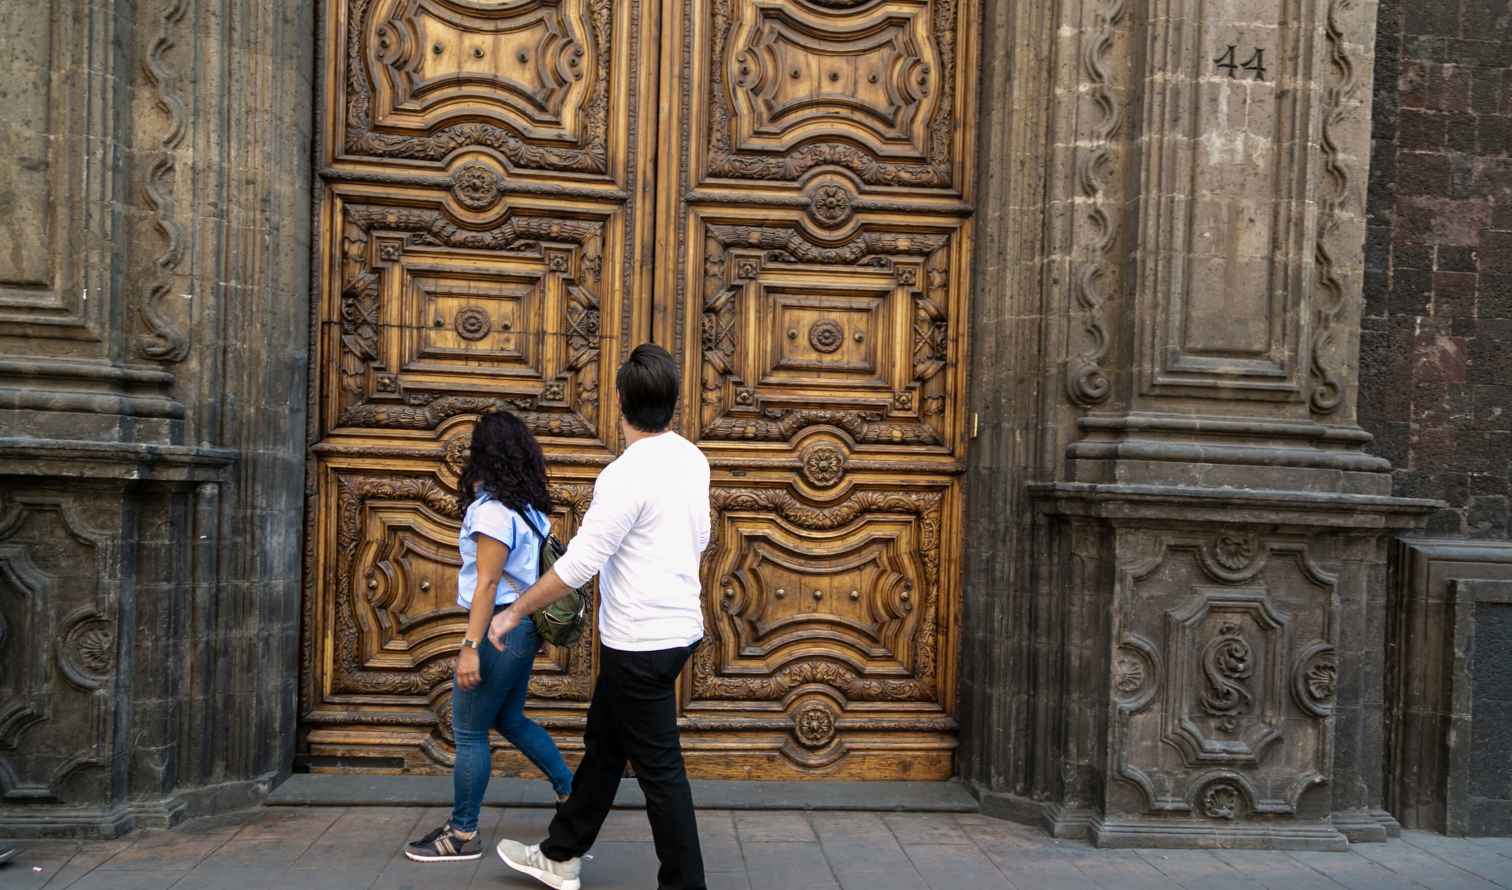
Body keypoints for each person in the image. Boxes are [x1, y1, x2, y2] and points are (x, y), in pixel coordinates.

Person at [490, 343, 709, 890]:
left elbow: (581, 564)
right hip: (674, 631)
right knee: (606, 747)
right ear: (673, 403)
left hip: (639, 642)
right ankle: (561, 854)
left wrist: (513, 611)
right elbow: (699, 536)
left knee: (661, 774)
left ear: (620, 402)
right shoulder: (692, 458)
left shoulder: (624, 474)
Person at [405, 410, 575, 862]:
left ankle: (462, 834)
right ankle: (570, 793)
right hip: (520, 628)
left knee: (469, 731)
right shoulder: (530, 510)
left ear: (484, 455)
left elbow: (486, 584)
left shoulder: (495, 512)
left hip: (498, 628)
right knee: (510, 718)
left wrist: (470, 648)